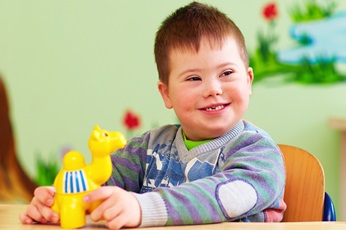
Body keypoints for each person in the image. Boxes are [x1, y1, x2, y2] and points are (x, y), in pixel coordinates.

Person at [19, 2, 286, 229]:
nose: (213, 89)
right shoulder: (148, 149)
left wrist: (143, 207)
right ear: (166, 93)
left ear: (248, 81)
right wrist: (61, 203)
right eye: (194, 78)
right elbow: (99, 188)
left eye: (226, 73)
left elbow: (224, 196)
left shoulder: (260, 154)